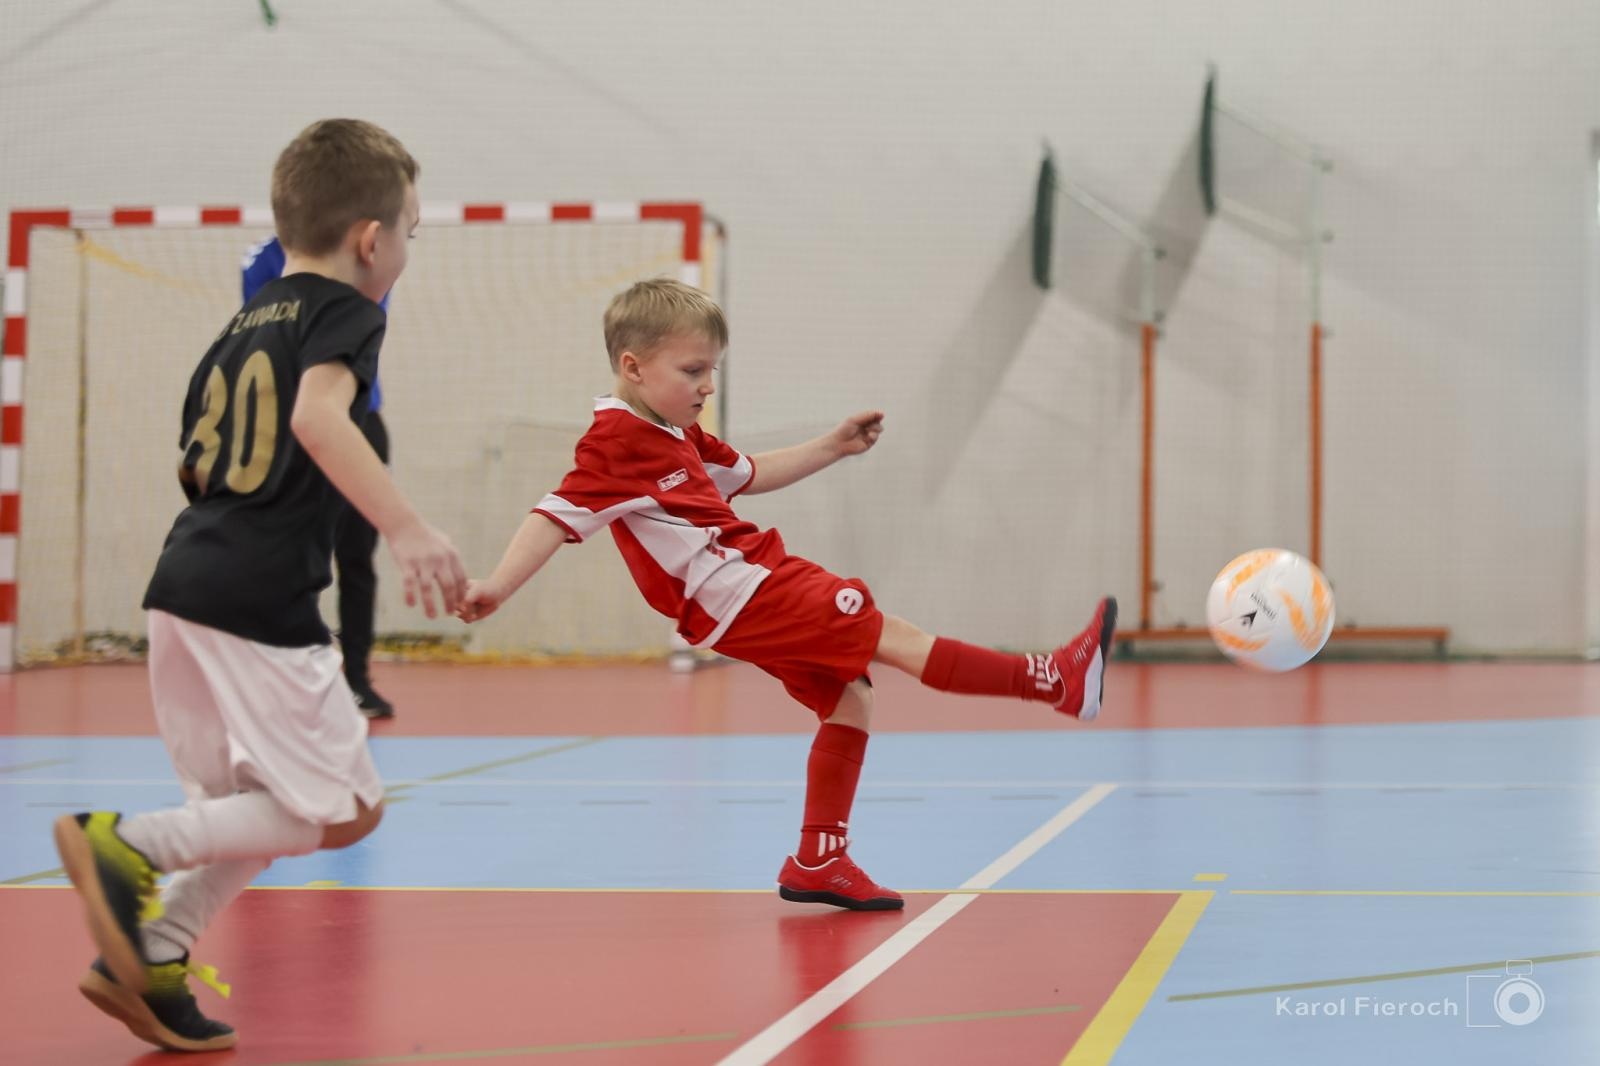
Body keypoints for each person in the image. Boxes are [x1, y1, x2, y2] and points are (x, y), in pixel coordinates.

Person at [456, 278, 1116, 912]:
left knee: (849, 696)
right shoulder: (614, 444)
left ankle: (818, 858)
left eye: (711, 371)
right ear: (633, 367)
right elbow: (554, 516)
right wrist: (496, 587)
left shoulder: (674, 430)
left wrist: (833, 446)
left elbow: (747, 473)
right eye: (693, 372)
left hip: (737, 600)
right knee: (891, 636)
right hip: (746, 589)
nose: (706, 386)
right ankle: (1055, 680)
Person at [52, 119, 466, 1052]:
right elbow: (322, 419)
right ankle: (129, 845)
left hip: (182, 586)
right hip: (260, 604)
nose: (405, 248)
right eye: (409, 230)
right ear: (372, 239)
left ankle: (156, 954)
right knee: (344, 807)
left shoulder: (238, 328)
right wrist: (405, 528)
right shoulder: (351, 311)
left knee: (255, 813)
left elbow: (197, 470)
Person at [244, 235, 395, 719]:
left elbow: (369, 303)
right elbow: (272, 334)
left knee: (357, 557)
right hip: (293, 421)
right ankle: (294, 676)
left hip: (359, 418)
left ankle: (356, 679)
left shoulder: (368, 254)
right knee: (292, 556)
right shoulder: (261, 260)